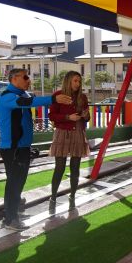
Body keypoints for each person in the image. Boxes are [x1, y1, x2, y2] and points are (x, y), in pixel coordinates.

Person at [0, 68, 72, 231]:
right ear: (14, 79)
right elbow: (27, 103)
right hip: (13, 148)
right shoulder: (6, 96)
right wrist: (53, 98)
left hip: (22, 147)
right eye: (25, 77)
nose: (28, 80)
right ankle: (10, 219)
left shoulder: (24, 95)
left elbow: (31, 100)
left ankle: (11, 214)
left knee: (18, 182)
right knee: (14, 183)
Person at [48, 71, 90, 212]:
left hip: (78, 132)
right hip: (62, 133)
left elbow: (87, 117)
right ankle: (53, 197)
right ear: (68, 81)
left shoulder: (82, 97)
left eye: (79, 81)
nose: (78, 84)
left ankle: (72, 197)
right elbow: (52, 115)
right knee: (59, 168)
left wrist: (85, 115)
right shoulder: (58, 95)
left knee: (75, 168)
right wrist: (68, 117)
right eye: (75, 81)